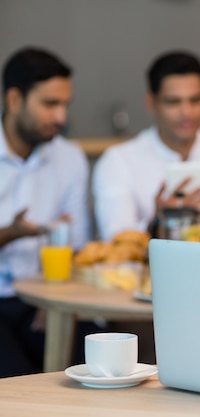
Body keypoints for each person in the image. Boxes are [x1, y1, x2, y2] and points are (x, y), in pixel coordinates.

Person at [92, 51, 200, 242]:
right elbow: (114, 240)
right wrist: (157, 222)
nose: (186, 112)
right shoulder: (118, 162)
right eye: (173, 102)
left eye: (195, 100)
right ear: (151, 102)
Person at [0, 47, 90, 376]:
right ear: (14, 99)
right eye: (50, 104)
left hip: (44, 300)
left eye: (65, 104)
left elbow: (79, 246)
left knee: (98, 363)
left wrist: (56, 295)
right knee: (17, 382)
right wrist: (10, 233)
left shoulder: (70, 159)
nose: (61, 118)